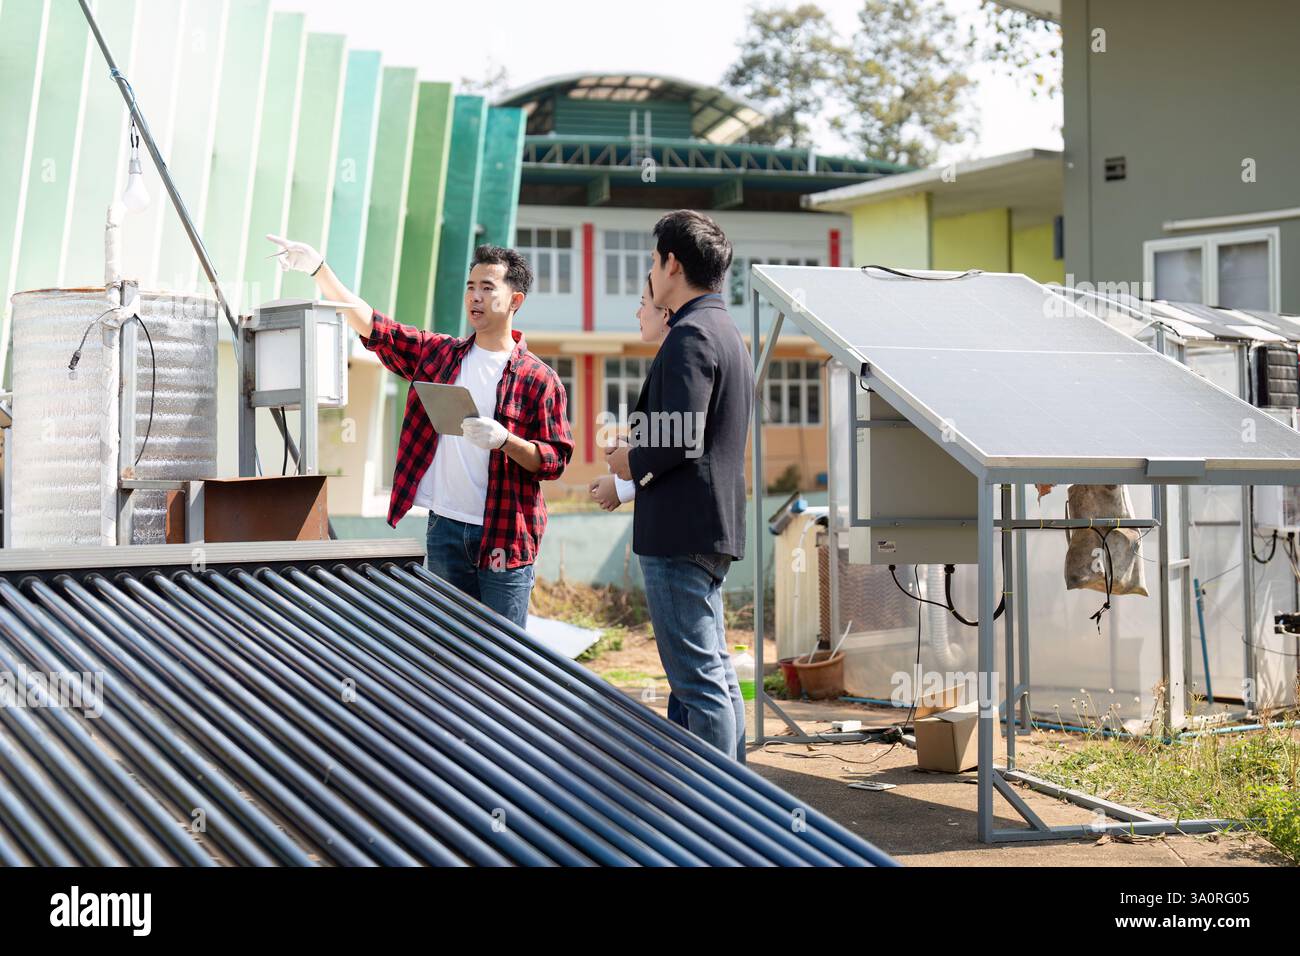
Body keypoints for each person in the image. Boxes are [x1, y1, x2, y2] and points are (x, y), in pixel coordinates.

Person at [266, 234, 572, 628]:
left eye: (487, 288)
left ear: (515, 300)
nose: (475, 297)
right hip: (444, 527)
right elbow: (378, 329)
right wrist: (319, 270)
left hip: (504, 536)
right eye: (470, 287)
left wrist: (506, 441)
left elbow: (554, 460)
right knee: (447, 653)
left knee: (504, 659)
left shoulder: (539, 379)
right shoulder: (441, 355)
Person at [604, 211, 754, 762]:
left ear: (671, 263)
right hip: (710, 527)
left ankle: (719, 811)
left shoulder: (690, 333)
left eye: (651, 258)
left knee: (697, 683)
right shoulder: (725, 331)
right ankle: (736, 798)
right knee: (713, 671)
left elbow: (680, 436)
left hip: (679, 532)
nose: (651, 268)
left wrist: (628, 460)